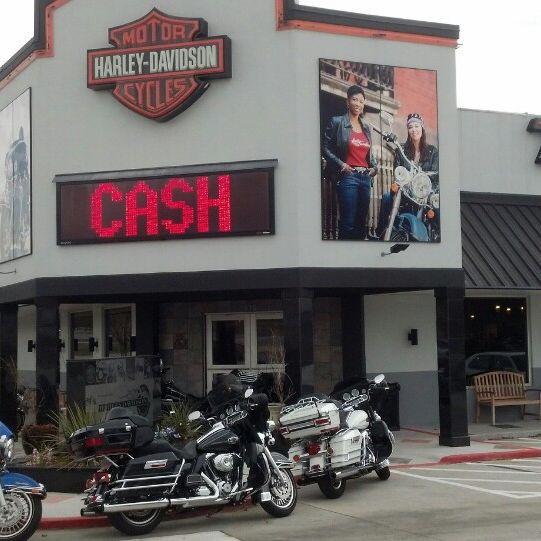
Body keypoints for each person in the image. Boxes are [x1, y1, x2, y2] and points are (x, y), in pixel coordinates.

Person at [322, 85, 378, 239]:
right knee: (348, 223)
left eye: (361, 101)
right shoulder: (337, 122)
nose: (357, 104)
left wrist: (374, 168)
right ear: (347, 102)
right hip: (348, 177)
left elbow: (369, 155)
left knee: (361, 224)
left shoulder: (367, 128)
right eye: (354, 100)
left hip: (365, 178)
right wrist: (341, 164)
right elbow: (325, 148)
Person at [376, 112, 439, 238]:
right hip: (406, 192)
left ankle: (438, 236)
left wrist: (432, 191)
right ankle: (381, 233)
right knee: (388, 197)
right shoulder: (402, 149)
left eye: (416, 126)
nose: (414, 130)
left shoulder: (432, 151)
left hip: (424, 193)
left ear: (422, 127)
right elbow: (398, 171)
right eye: (410, 127)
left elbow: (436, 177)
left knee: (438, 207)